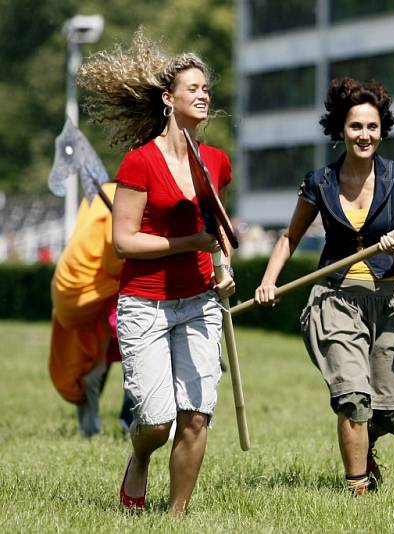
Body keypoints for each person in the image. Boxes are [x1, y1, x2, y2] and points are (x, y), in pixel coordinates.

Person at [77, 31, 235, 514]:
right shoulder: (140, 162)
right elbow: (125, 242)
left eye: (207, 88)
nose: (204, 94)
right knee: (156, 420)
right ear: (169, 99)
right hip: (144, 304)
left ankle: (176, 515)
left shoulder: (216, 162)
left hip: (199, 303)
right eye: (193, 88)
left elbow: (219, 227)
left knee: (195, 417)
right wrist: (193, 244)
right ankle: (139, 459)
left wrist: (224, 266)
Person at [254, 78, 394, 496]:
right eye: (355, 127)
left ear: (382, 130)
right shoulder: (320, 182)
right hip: (336, 300)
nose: (364, 135)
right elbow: (289, 237)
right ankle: (357, 493)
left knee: (387, 411)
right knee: (352, 398)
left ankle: (365, 451)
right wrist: (268, 280)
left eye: (371, 126)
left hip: (392, 301)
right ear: (340, 131)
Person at [49, 182, 134, 436]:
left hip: (70, 286)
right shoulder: (125, 195)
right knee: (137, 350)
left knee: (91, 359)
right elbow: (113, 257)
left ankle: (90, 428)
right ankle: (131, 420)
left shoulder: (99, 193)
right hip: (101, 286)